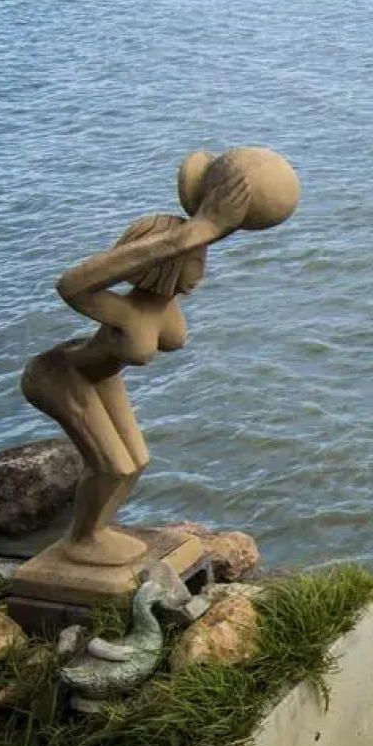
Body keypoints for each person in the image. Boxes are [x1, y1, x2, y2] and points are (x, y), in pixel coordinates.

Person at [20, 148, 297, 566]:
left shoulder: (164, 309)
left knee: (136, 463)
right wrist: (191, 232)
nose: (202, 271)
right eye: (196, 260)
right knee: (112, 466)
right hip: (58, 377)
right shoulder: (126, 313)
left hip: (97, 375)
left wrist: (216, 222)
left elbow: (199, 239)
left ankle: (96, 531)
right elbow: (72, 285)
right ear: (167, 263)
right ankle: (81, 540)